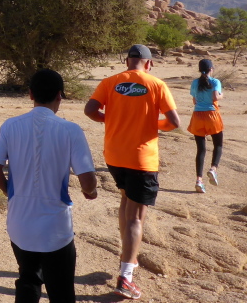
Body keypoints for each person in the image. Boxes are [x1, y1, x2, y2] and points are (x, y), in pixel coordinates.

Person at [0, 69, 97, 303]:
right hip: (55, 228)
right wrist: (91, 191)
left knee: (28, 282)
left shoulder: (10, 126)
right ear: (59, 96)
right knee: (61, 291)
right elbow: (88, 181)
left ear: (30, 94)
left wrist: (10, 192)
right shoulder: (70, 130)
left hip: (20, 224)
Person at [84, 44, 180, 300]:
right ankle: (125, 277)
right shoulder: (156, 84)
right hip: (141, 159)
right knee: (136, 217)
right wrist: (152, 123)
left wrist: (111, 118)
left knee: (126, 200)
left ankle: (127, 255)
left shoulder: (110, 82)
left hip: (114, 156)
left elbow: (90, 111)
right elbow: (174, 122)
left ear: (127, 61)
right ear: (149, 63)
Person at [187, 58, 224, 193]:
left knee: (201, 149)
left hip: (197, 116)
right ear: (211, 69)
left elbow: (194, 100)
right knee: (218, 145)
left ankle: (199, 180)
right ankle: (213, 168)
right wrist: (222, 95)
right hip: (211, 115)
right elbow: (215, 97)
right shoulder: (215, 82)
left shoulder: (195, 82)